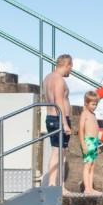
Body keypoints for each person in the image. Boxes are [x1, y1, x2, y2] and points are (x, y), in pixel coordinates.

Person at [42, 54, 74, 188]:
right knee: (59, 153)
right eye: (71, 67)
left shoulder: (48, 78)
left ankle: (53, 184)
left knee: (56, 151)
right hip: (59, 119)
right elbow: (59, 101)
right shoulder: (59, 80)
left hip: (51, 118)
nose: (71, 70)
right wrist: (65, 124)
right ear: (66, 65)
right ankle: (57, 186)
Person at [79, 91, 102, 195]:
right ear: (86, 103)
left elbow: (95, 129)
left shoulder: (93, 114)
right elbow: (81, 130)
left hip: (94, 142)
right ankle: (86, 188)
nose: (95, 106)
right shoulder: (85, 114)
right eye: (93, 104)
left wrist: (98, 142)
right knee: (87, 165)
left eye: (96, 104)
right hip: (88, 141)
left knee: (92, 165)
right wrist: (83, 144)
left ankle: (91, 188)